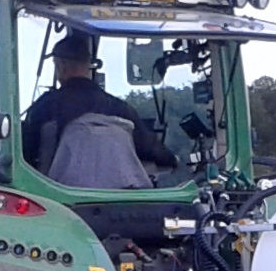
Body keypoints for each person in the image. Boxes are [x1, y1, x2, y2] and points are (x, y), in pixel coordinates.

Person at [21, 32, 177, 178]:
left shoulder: (45, 109)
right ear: (89, 65)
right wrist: (172, 159)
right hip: (119, 200)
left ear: (60, 66)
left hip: (59, 199)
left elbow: (26, 154)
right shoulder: (121, 110)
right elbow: (151, 150)